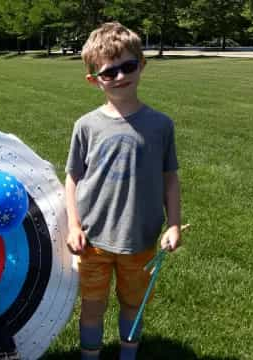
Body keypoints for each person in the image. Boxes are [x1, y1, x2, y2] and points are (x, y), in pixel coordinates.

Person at [65, 22, 181, 360]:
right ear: (93, 80)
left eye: (128, 66)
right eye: (108, 72)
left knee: (133, 303)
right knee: (92, 304)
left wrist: (173, 224)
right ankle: (90, 355)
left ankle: (128, 355)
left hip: (140, 240)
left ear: (142, 65)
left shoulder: (161, 125)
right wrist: (73, 226)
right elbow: (72, 178)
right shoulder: (86, 126)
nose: (119, 77)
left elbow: (170, 178)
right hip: (93, 240)